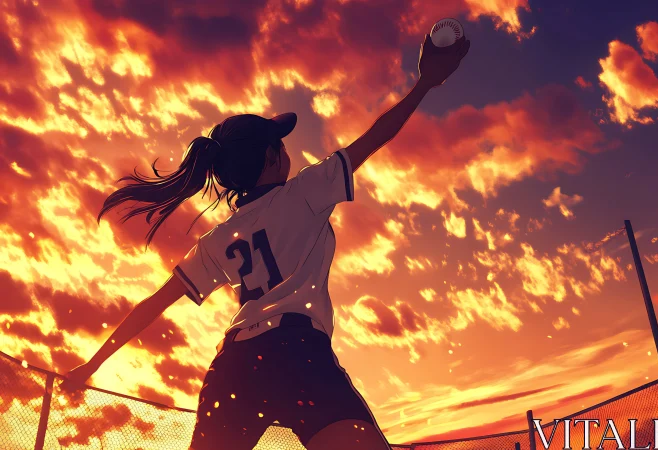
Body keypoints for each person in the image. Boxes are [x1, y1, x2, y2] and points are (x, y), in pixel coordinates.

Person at [62, 34, 470, 449]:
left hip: (234, 368)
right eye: (280, 145)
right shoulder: (305, 191)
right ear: (272, 158)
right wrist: (424, 84)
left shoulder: (217, 239)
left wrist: (92, 364)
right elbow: (376, 136)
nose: (285, 150)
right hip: (298, 354)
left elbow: (151, 306)